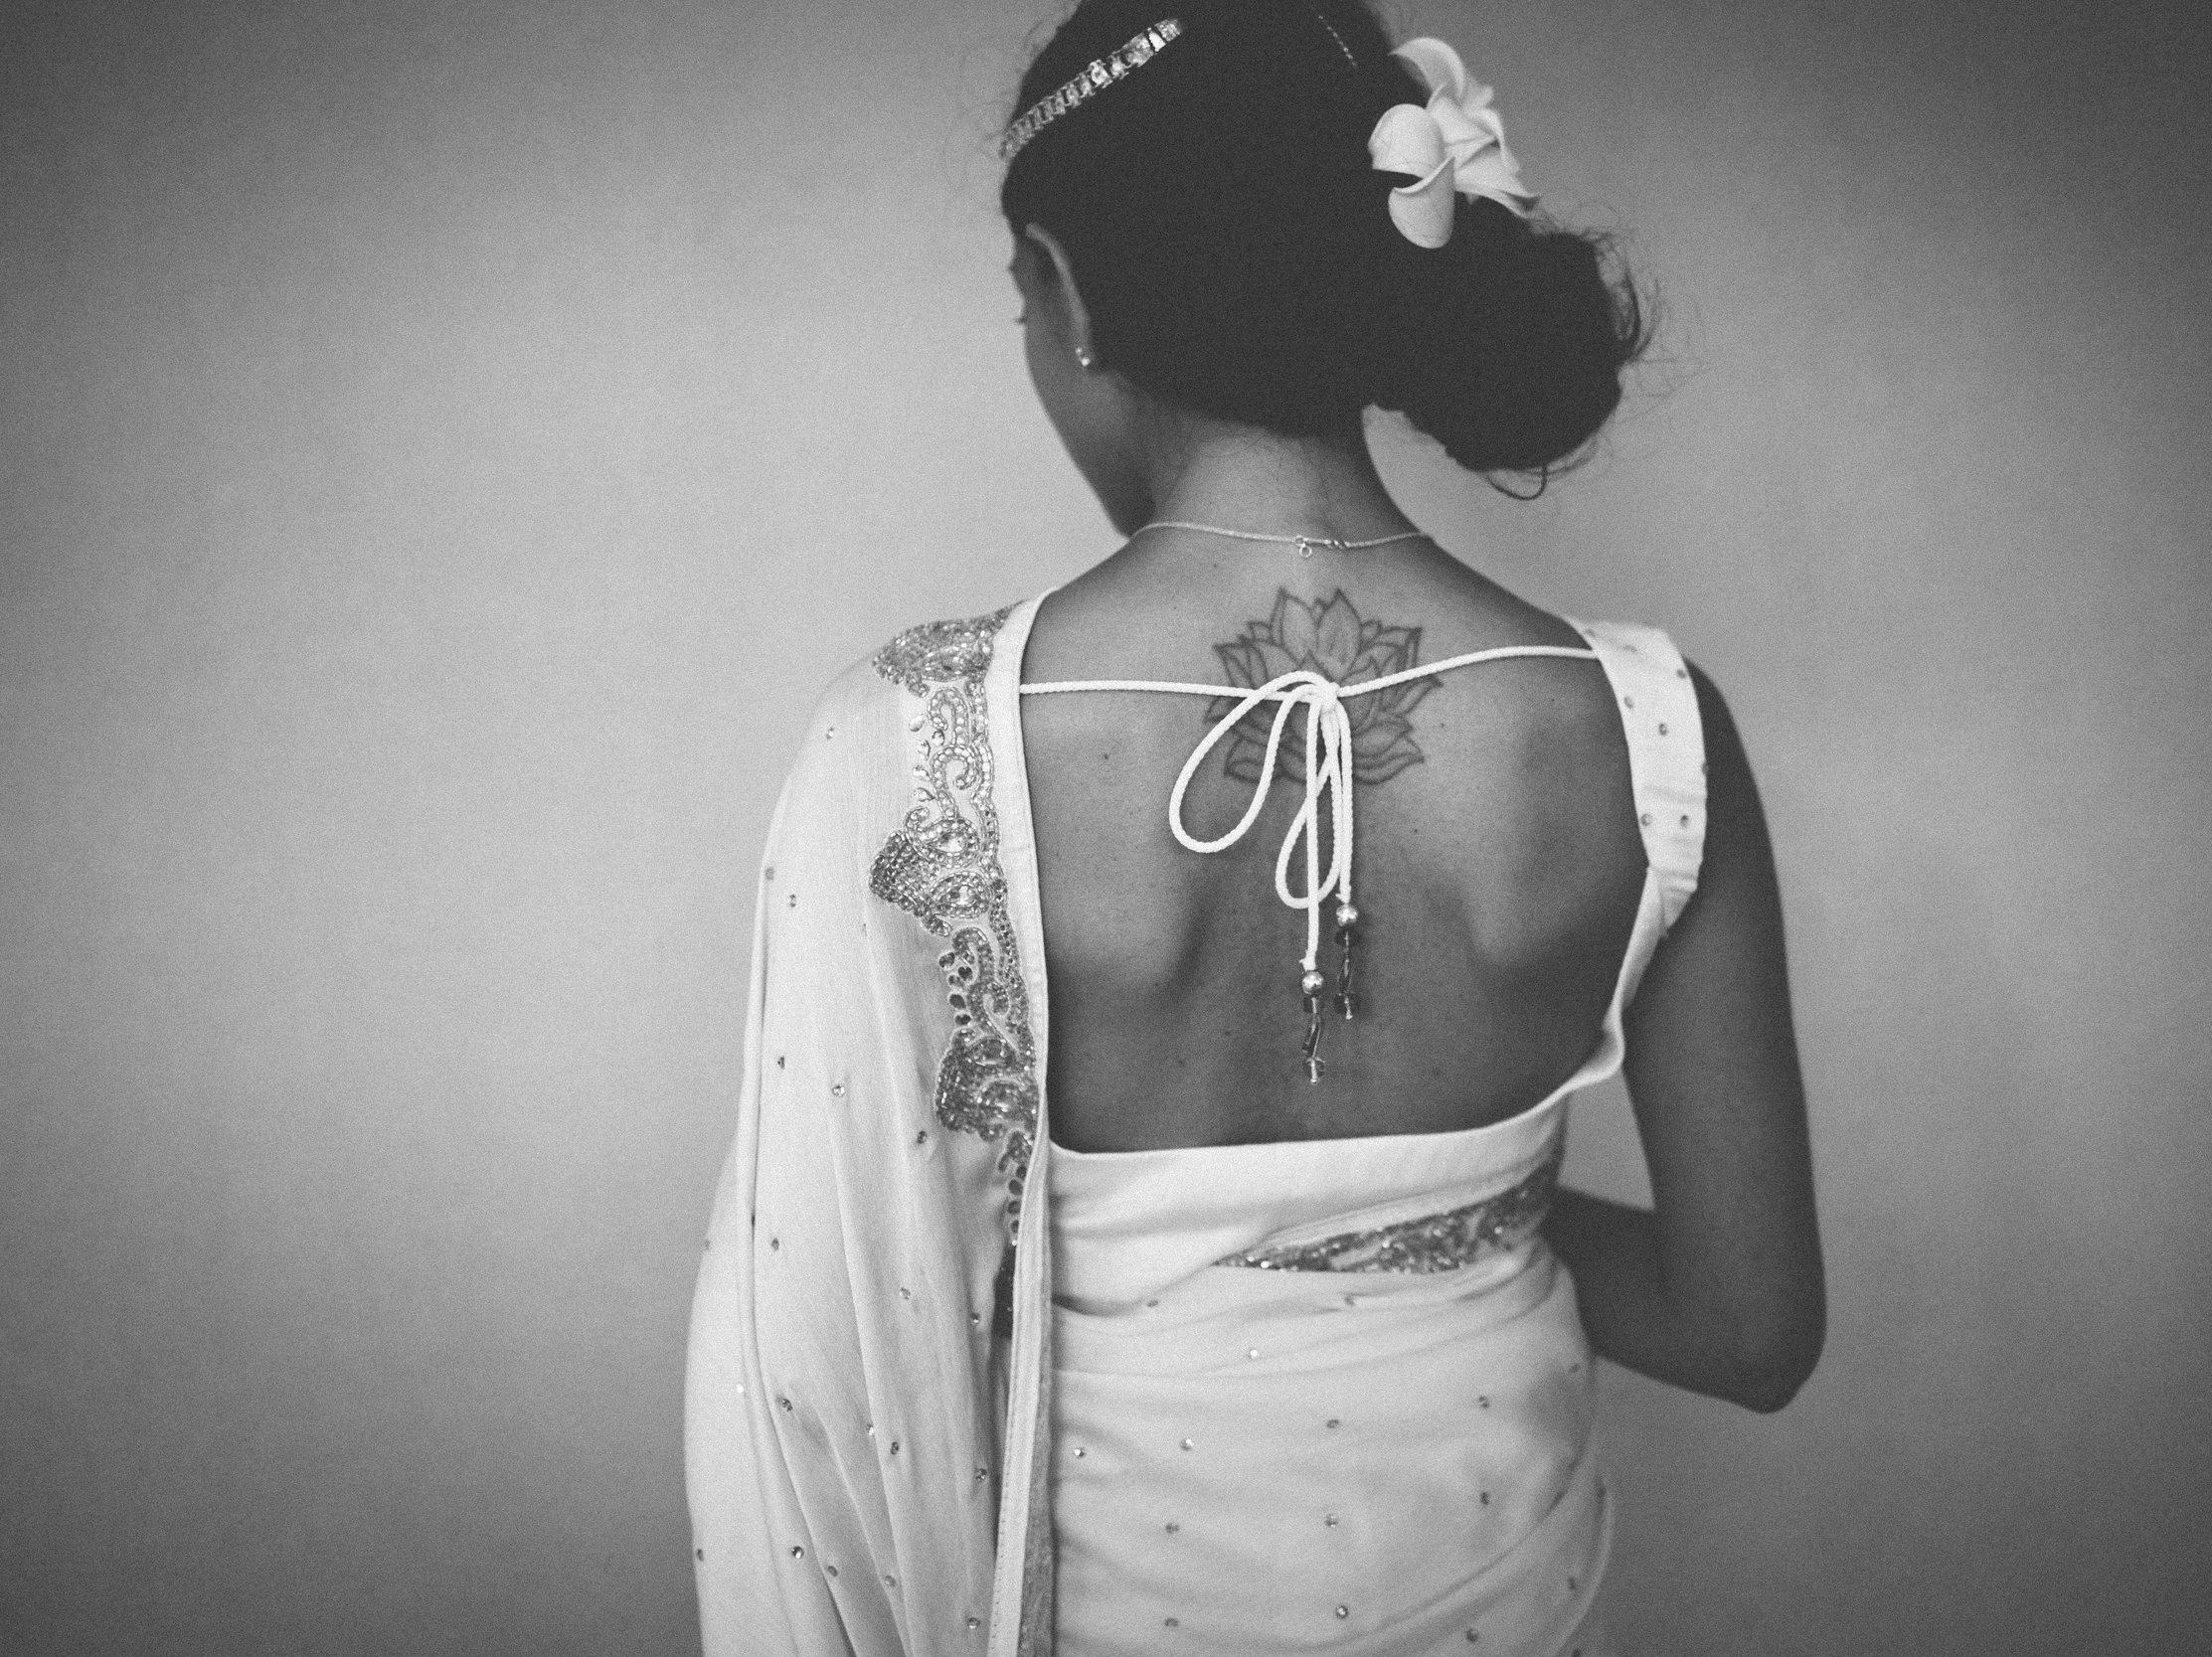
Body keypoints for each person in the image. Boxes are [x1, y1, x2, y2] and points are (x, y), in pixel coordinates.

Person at [683, 3, 1824, 1652]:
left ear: (1069, 295)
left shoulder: (907, 747)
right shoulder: (1653, 731)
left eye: (1024, 300)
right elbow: (1749, 1325)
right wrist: (1455, 1222)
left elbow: (812, 1379)